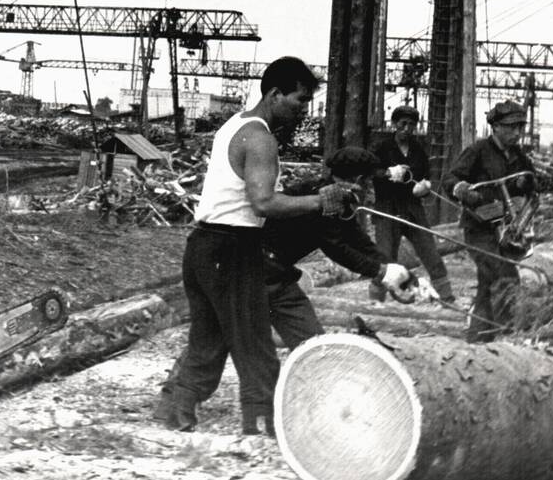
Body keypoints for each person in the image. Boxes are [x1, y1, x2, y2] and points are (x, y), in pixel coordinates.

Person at [162, 57, 411, 437]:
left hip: (205, 245)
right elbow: (264, 204)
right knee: (255, 346)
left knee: (209, 340)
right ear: (275, 93)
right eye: (298, 101)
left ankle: (175, 411)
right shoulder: (260, 137)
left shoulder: (235, 126)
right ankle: (260, 427)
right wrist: (320, 201)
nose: (302, 111)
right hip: (233, 246)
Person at [442, 100, 536, 343]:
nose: (516, 133)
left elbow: (533, 184)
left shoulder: (519, 157)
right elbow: (450, 179)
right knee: (505, 277)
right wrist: (462, 190)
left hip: (508, 231)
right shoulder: (478, 151)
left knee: (487, 285)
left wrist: (524, 185)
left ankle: (479, 339)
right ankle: (503, 334)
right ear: (495, 126)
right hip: (479, 229)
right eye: (511, 127)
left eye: (520, 127)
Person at [368, 105, 453, 303]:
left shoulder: (418, 150)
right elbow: (369, 171)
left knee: (430, 251)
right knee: (385, 258)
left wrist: (426, 185)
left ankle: (448, 298)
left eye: (411, 125)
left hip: (412, 208)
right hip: (387, 208)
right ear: (394, 124)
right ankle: (374, 303)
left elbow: (426, 174)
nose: (407, 129)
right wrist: (388, 173)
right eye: (403, 124)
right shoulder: (382, 147)